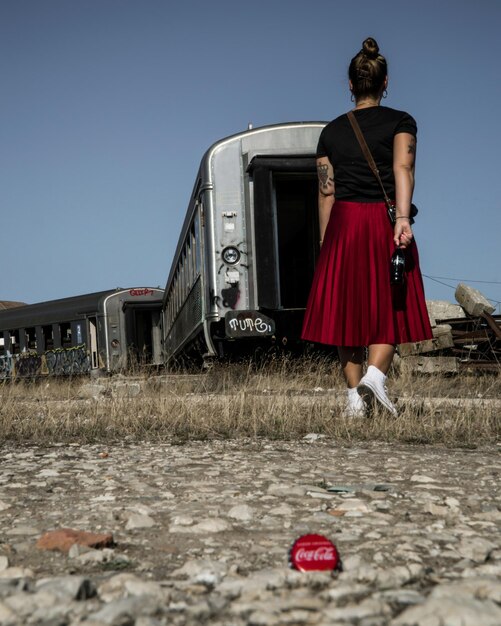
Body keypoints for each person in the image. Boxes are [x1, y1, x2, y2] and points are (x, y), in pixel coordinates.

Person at [301, 37, 432, 417]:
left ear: (350, 86)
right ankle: (374, 378)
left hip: (343, 223)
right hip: (381, 220)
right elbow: (402, 168)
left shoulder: (331, 133)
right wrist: (403, 218)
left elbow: (326, 191)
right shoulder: (400, 122)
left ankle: (353, 399)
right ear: (385, 82)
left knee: (345, 311)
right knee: (389, 302)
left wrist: (327, 241)